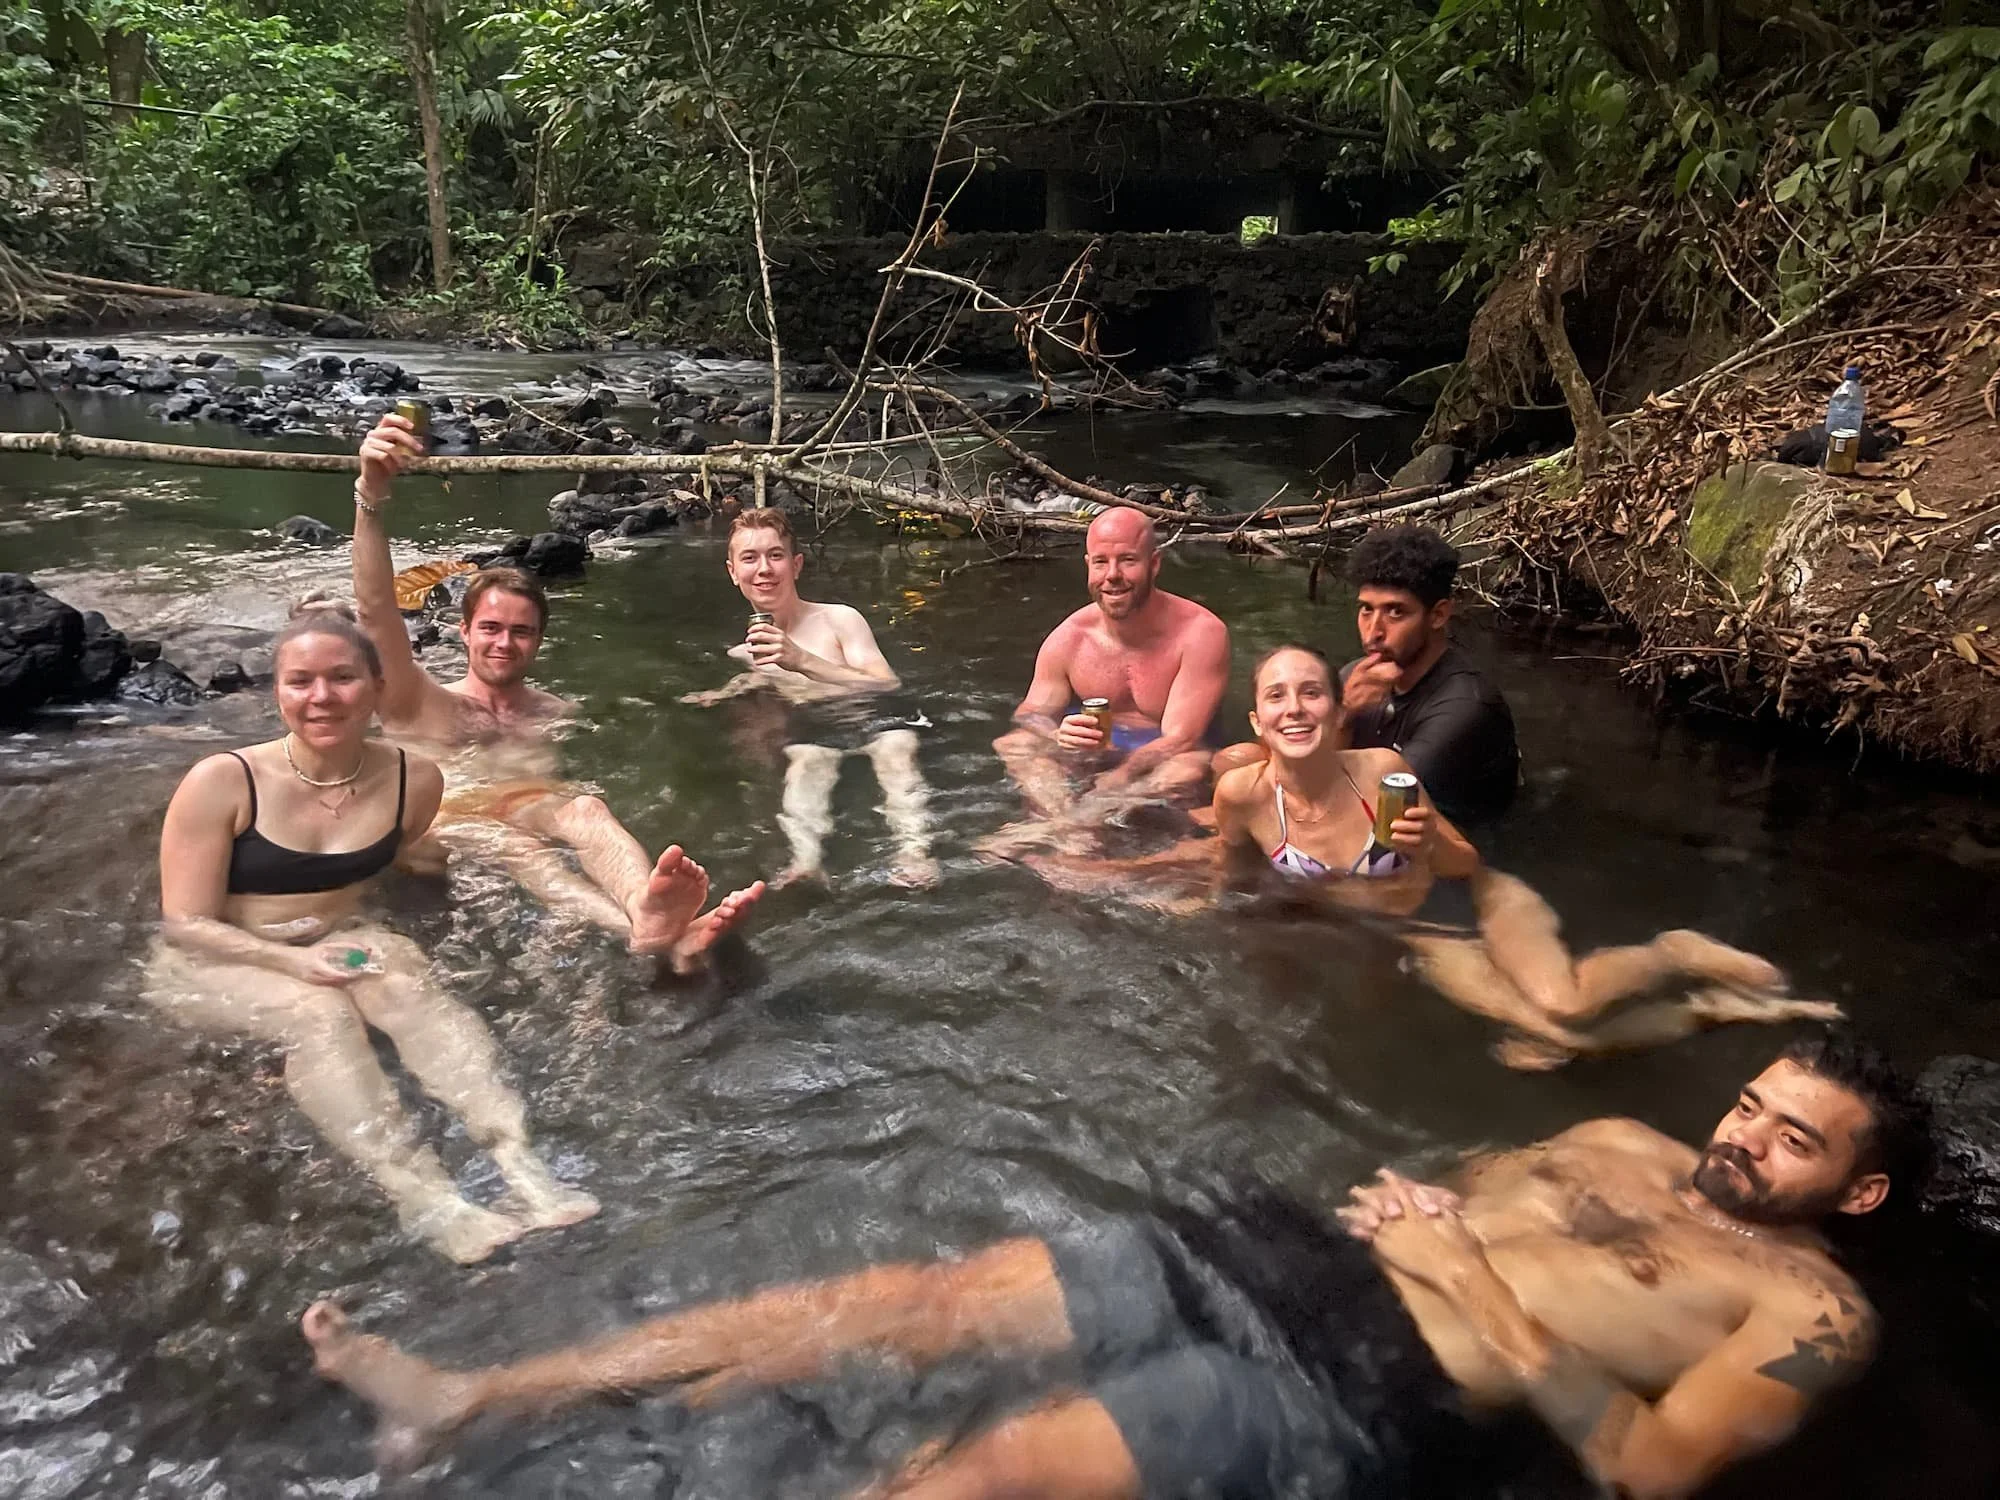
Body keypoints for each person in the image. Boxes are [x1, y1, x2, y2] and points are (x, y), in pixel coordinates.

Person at [301, 1032, 1920, 1500]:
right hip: (1279, 1261)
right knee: (901, 1306)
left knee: (983, 1467)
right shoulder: (1640, 1144)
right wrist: (1431, 1204)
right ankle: (469, 1395)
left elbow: (1644, 1469)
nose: (1744, 1138)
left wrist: (1479, 1290)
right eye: (1753, 1103)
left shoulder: (1811, 1318)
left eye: (1793, 1142)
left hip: (1366, 1389)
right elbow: (1470, 1195)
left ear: (1858, 1196)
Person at [1040, 646, 1835, 1068]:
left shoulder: (1385, 773)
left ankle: (1671, 953)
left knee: (1563, 1009)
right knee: (1563, 1044)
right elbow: (1226, 874)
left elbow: (1462, 868)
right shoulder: (1244, 794)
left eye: (1310, 692)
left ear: (1337, 709)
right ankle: (1710, 1009)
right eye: (1277, 695)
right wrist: (1102, 879)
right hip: (1409, 935)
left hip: (1471, 904)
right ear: (1257, 715)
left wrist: (1425, 838)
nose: (1294, 707)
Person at [144, 603, 599, 1264]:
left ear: (378, 689)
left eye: (342, 678)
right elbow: (185, 924)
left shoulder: (414, 779)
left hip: (332, 936)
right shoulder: (224, 781)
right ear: (278, 691)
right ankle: (427, 1198)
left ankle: (522, 1166)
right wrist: (295, 964)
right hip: (213, 960)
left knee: (407, 982)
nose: (321, 697)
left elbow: (402, 854)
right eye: (300, 681)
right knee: (320, 1014)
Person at [352, 413, 762, 971]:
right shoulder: (421, 701)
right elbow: (377, 613)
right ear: (463, 630)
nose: (504, 644)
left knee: (588, 809)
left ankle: (648, 910)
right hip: (443, 825)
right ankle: (646, 933)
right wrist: (369, 498)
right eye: (491, 629)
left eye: (521, 632)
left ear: (539, 641)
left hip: (525, 802)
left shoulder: (555, 711)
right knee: (526, 853)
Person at [682, 507, 937, 888]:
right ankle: (806, 862)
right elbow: (767, 684)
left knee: (895, 748)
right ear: (734, 573)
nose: (764, 569)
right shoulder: (745, 653)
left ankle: (914, 854)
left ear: (796, 564)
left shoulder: (839, 620)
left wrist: (800, 659)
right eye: (750, 558)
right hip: (820, 725)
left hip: (877, 716)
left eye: (776, 555)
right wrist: (725, 692)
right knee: (805, 759)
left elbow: (886, 685)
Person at [1216, 525, 1518, 825]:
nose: (1374, 632)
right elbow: (1291, 764)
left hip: (1446, 837)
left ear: (1438, 615)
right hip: (1356, 805)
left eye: (1395, 612)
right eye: (1366, 610)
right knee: (1237, 759)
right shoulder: (1358, 673)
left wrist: (1342, 714)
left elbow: (1379, 808)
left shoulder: (1466, 706)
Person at [989, 506, 1230, 854]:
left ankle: (1058, 828)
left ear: (1155, 564)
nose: (1112, 575)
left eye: (1128, 560)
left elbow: (1181, 739)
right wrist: (1055, 732)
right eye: (1101, 562)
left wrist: (1120, 778)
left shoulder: (1200, 633)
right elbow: (1029, 713)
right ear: (1088, 565)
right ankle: (1073, 831)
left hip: (1163, 754)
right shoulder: (1070, 637)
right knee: (1014, 743)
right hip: (1098, 749)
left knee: (1190, 766)